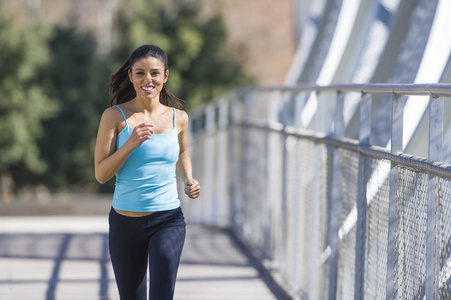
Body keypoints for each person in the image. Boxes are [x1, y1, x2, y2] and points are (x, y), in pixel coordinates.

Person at [94, 44, 200, 300]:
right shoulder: (115, 116)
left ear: (165, 76)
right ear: (130, 76)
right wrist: (130, 144)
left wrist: (189, 178)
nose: (147, 80)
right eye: (140, 73)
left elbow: (182, 152)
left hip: (167, 219)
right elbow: (101, 174)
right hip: (125, 223)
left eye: (154, 73)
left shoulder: (179, 118)